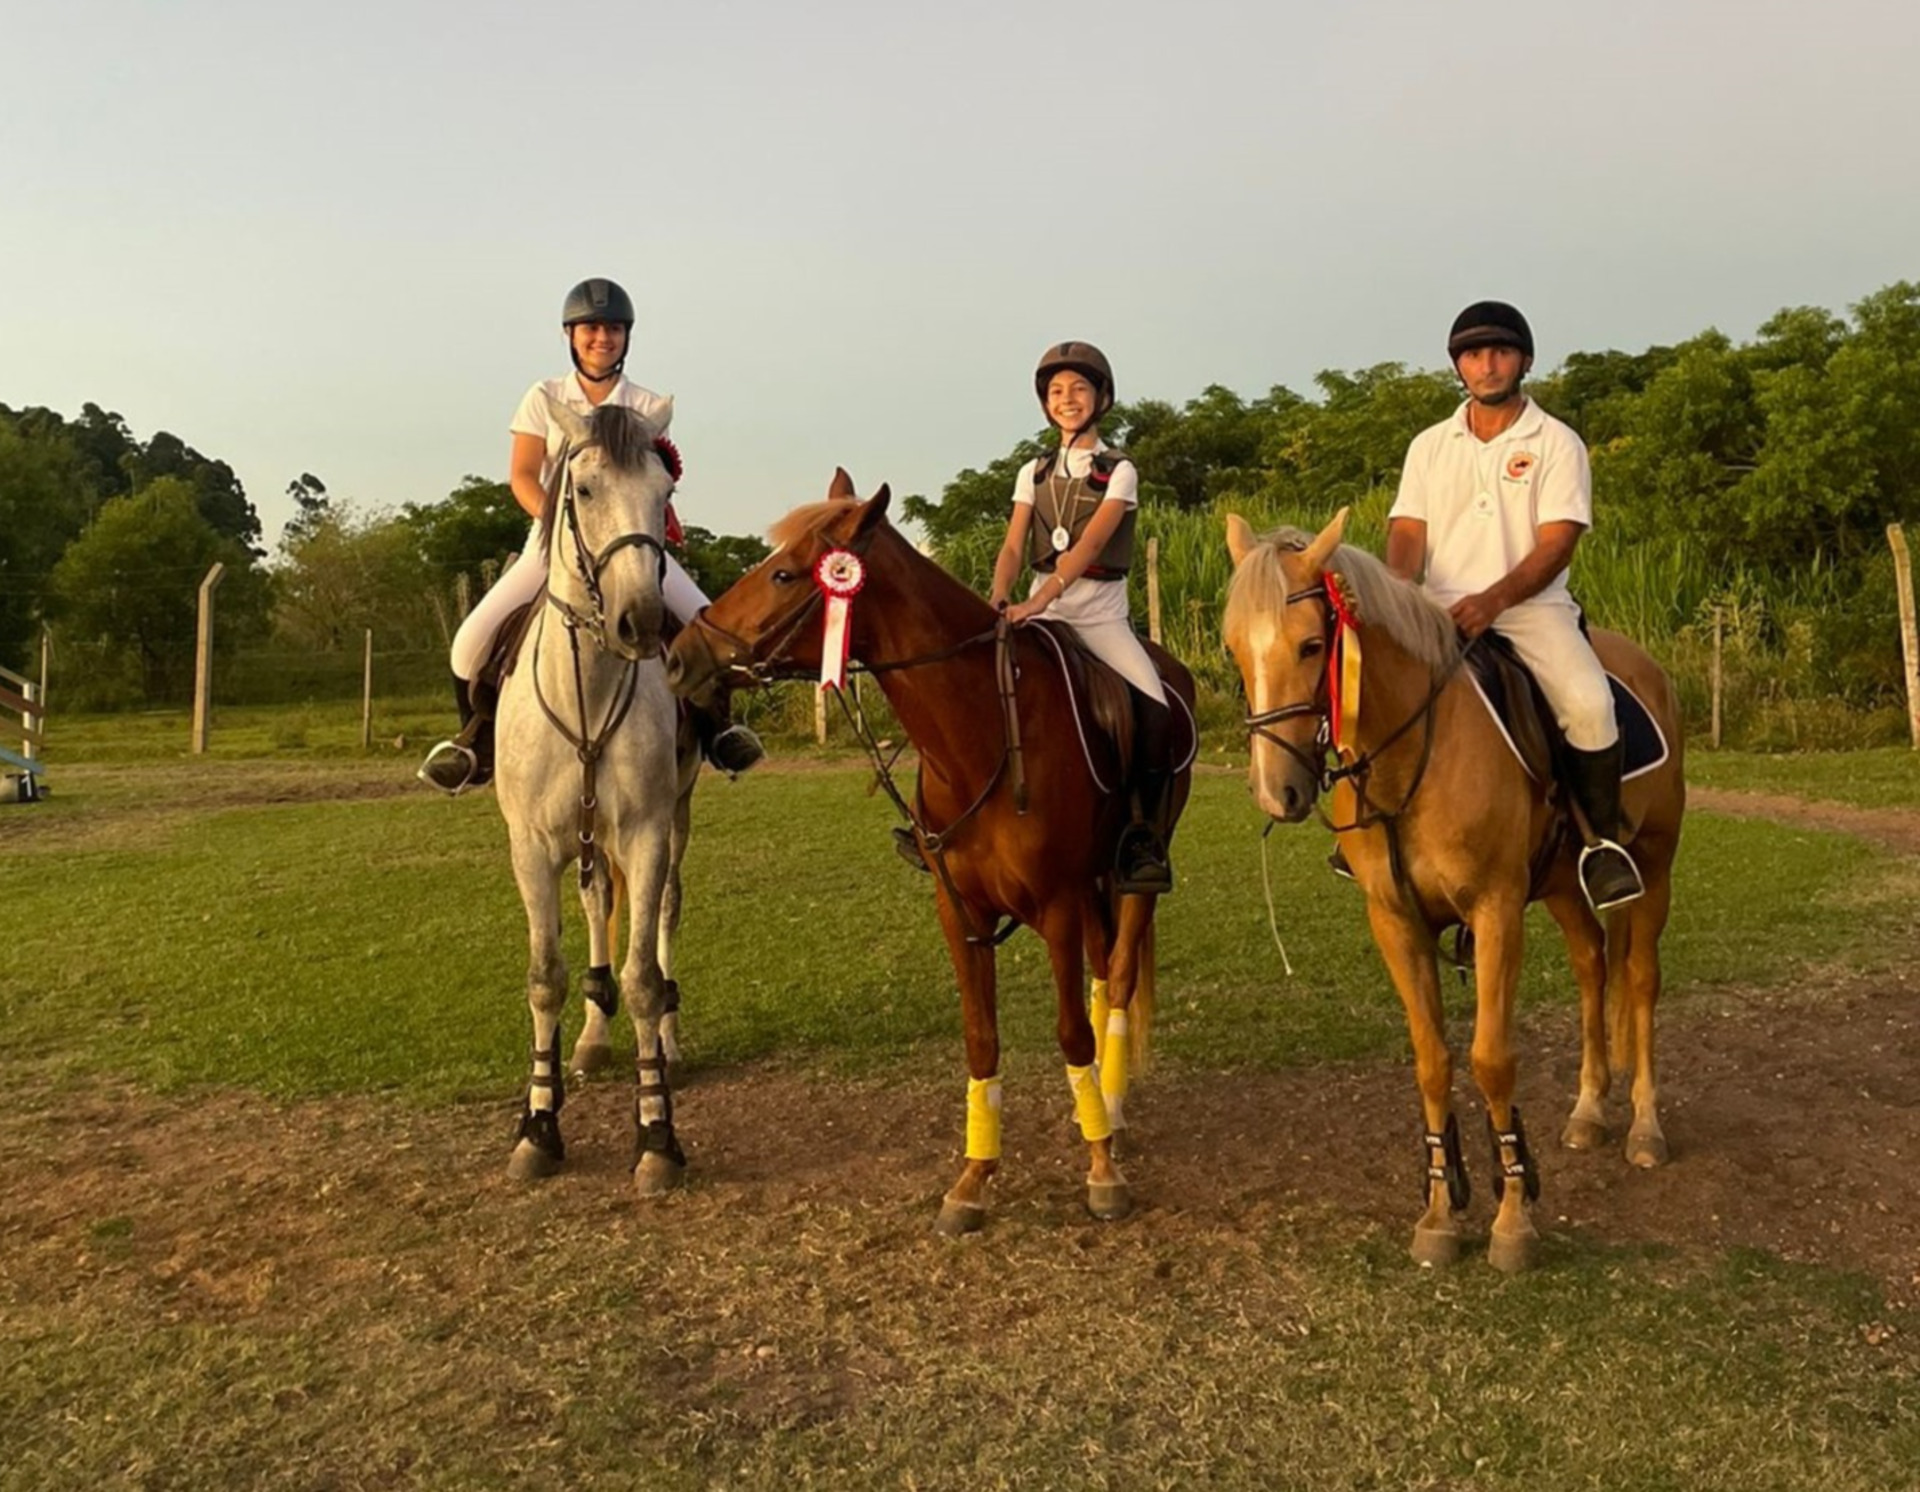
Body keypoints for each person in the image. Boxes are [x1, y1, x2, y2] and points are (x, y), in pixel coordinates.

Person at [418, 278, 764, 794]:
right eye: (592, 328)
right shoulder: (544, 397)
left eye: (614, 329)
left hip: (631, 546)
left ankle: (719, 732)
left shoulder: (646, 405)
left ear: (627, 337)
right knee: (469, 643)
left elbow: (649, 482)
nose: (603, 338)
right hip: (553, 546)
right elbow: (522, 476)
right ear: (570, 335)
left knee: (705, 628)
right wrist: (557, 525)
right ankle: (476, 743)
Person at [1381, 299, 1643, 911]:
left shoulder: (1556, 441)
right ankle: (1369, 836)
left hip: (1531, 609)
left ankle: (1600, 845)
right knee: (1369, 689)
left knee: (1588, 704)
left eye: (1500, 352)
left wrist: (1494, 599)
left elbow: (1557, 543)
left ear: (1524, 360)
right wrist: (1398, 595)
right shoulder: (1429, 445)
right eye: (1474, 354)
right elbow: (1409, 532)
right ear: (1458, 367)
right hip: (1436, 608)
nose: (1487, 365)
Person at [926, 340, 1174, 893]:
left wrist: (1042, 600)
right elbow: (1014, 545)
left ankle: (1141, 838)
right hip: (1035, 608)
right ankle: (948, 822)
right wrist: (999, 592)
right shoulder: (1031, 472)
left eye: (1079, 389)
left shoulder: (1120, 471)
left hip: (1098, 617)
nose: (1068, 399)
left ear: (1101, 397)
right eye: (1057, 391)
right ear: (1045, 404)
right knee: (966, 693)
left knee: (1156, 713)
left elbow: (1087, 546)